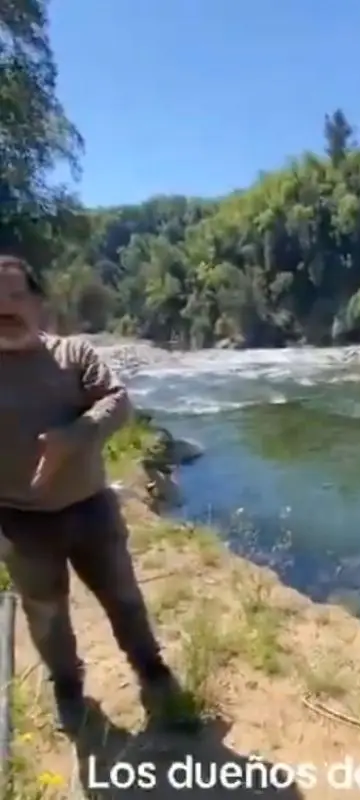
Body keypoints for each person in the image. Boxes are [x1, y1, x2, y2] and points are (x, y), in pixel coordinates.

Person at [0, 255, 195, 733]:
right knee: (45, 615)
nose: (4, 308)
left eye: (14, 295)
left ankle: (151, 669)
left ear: (38, 303)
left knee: (123, 597)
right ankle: (68, 687)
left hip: (91, 509)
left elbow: (117, 401)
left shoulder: (73, 354)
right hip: (19, 522)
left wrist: (73, 437)